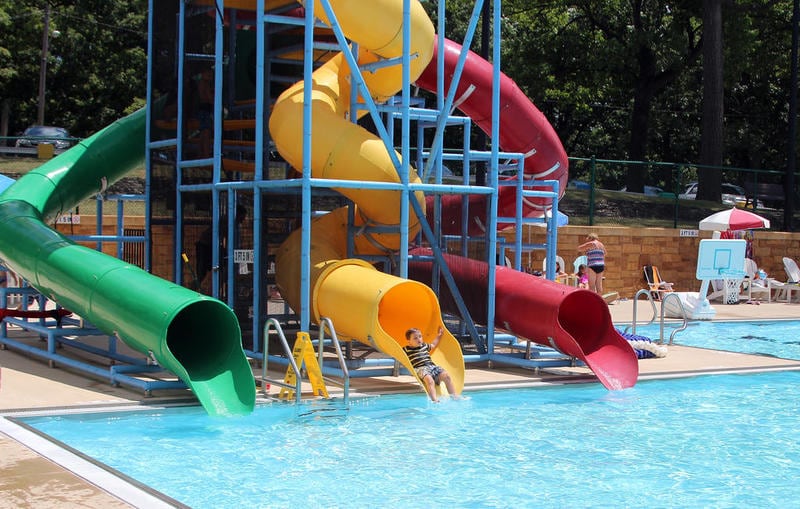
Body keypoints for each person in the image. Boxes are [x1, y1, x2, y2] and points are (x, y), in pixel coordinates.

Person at [403, 326, 460, 402]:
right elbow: (398, 352)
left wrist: (439, 335)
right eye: (415, 338)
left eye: (420, 336)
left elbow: (433, 345)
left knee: (447, 376)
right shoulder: (406, 349)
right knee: (429, 381)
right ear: (409, 341)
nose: (419, 339)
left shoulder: (424, 345)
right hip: (420, 368)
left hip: (432, 367)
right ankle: (434, 400)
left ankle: (454, 396)